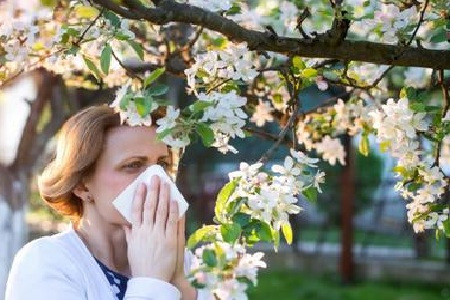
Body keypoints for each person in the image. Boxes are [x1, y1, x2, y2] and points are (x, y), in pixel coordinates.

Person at [5, 105, 212, 300]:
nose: (156, 178)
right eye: (133, 165)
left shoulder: (185, 263)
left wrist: (179, 284)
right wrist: (152, 281)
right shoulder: (46, 262)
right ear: (82, 185)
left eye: (163, 164)